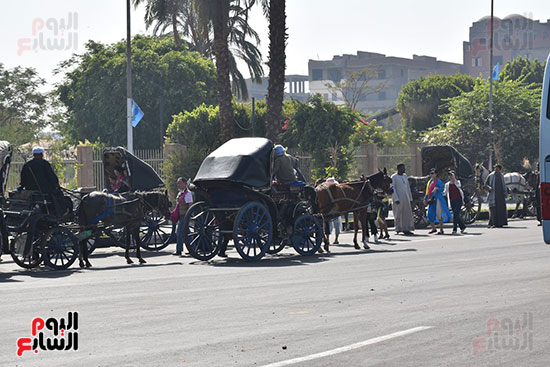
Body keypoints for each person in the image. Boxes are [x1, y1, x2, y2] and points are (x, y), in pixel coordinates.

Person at [19, 146, 66, 215]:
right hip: (44, 190)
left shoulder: (27, 165)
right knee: (59, 195)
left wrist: (23, 186)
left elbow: (22, 178)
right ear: (41, 154)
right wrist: (56, 186)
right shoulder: (45, 164)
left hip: (29, 189)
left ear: (33, 155)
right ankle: (60, 213)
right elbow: (52, 177)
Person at [425, 169, 452, 234]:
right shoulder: (430, 182)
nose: (431, 175)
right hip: (432, 199)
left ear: (436, 174)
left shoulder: (438, 181)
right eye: (431, 173)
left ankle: (441, 229)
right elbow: (428, 191)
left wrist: (437, 188)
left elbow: (442, 189)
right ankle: (433, 228)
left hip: (438, 199)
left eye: (433, 173)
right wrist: (425, 198)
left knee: (439, 214)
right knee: (430, 214)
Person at [391, 163, 415, 235]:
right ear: (398, 169)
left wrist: (410, 198)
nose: (404, 169)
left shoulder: (405, 176)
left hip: (406, 198)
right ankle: (398, 228)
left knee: (407, 213)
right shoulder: (394, 177)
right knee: (398, 214)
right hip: (398, 198)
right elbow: (392, 188)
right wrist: (395, 198)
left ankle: (406, 228)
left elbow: (407, 188)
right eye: (403, 168)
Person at [173, 177, 193, 256]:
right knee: (187, 233)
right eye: (178, 183)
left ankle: (179, 250)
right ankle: (193, 249)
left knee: (179, 232)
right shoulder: (180, 193)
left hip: (185, 216)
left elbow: (190, 205)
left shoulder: (187, 193)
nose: (178, 184)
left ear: (185, 184)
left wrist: (189, 216)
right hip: (181, 216)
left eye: (180, 183)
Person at [486, 164, 508, 228]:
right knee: (493, 210)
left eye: (497, 169)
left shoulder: (501, 176)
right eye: (495, 168)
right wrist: (489, 188)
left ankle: (500, 223)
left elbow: (504, 186)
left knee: (500, 210)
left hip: (500, 196)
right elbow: (485, 185)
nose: (496, 170)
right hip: (493, 196)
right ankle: (493, 223)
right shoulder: (490, 176)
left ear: (500, 170)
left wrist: (506, 192)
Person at [325, 177, 341, 244]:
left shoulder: (327, 192)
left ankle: (330, 239)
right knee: (336, 223)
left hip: (331, 208)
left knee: (330, 223)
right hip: (334, 208)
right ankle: (335, 239)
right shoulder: (336, 192)